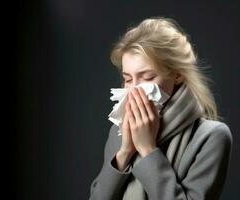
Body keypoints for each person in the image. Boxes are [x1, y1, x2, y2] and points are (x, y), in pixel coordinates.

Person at [89, 17, 233, 200]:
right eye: (127, 79)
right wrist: (124, 152)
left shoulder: (211, 136)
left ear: (178, 75)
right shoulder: (119, 132)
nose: (134, 89)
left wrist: (147, 149)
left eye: (147, 78)